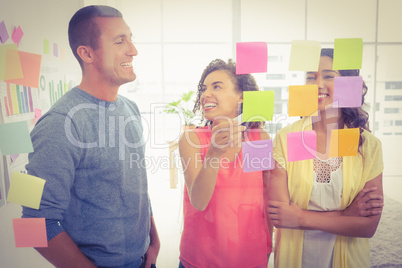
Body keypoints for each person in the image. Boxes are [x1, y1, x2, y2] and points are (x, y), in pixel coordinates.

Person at [22, 5, 160, 268]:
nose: (133, 50)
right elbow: (31, 225)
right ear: (87, 53)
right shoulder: (59, 124)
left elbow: (136, 187)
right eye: (120, 41)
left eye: (130, 38)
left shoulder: (130, 109)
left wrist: (154, 243)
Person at [268, 48, 384, 268]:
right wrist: (347, 214)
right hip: (295, 258)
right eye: (311, 77)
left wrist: (301, 218)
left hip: (348, 258)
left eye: (328, 76)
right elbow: (281, 216)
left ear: (349, 84)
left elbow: (368, 227)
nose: (318, 84)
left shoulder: (368, 146)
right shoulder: (288, 138)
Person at [178, 59, 272, 268]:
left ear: (241, 96)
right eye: (204, 89)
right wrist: (214, 153)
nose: (205, 95)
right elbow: (199, 202)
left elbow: (265, 199)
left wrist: (267, 245)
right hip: (200, 259)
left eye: (217, 86)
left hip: (251, 257)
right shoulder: (191, 140)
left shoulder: (259, 139)